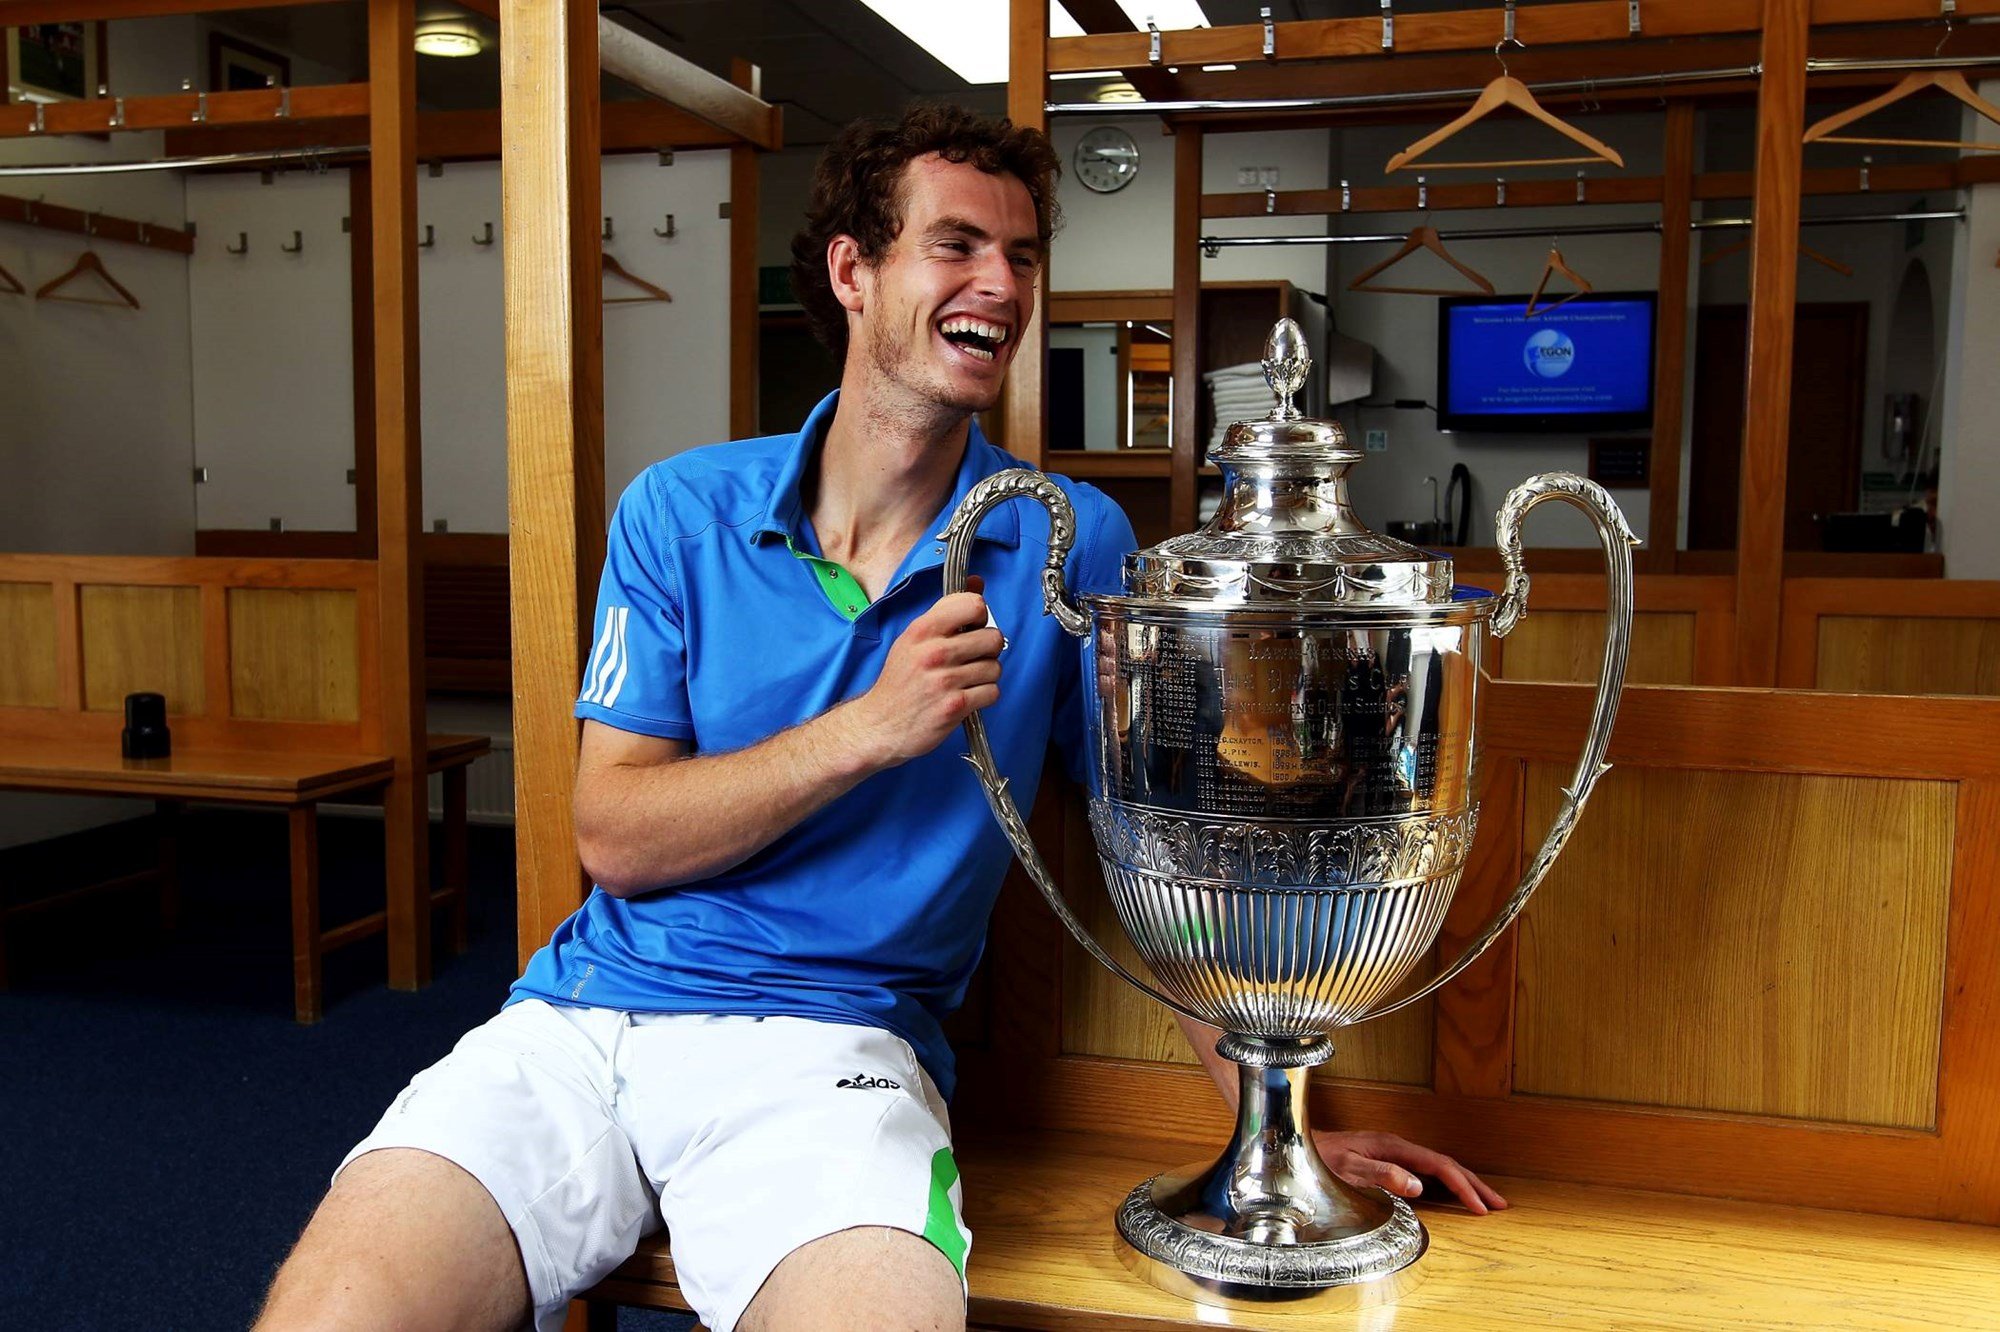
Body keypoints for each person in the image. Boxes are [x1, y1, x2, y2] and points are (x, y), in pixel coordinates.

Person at [256, 104, 1503, 1332]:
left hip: (832, 1061)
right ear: (852, 271)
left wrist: (1279, 1126)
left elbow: (1169, 851)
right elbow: (619, 836)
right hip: (583, 1023)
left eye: (1019, 255)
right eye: (955, 245)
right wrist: (870, 724)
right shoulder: (679, 509)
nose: (1000, 285)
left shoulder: (1065, 538)